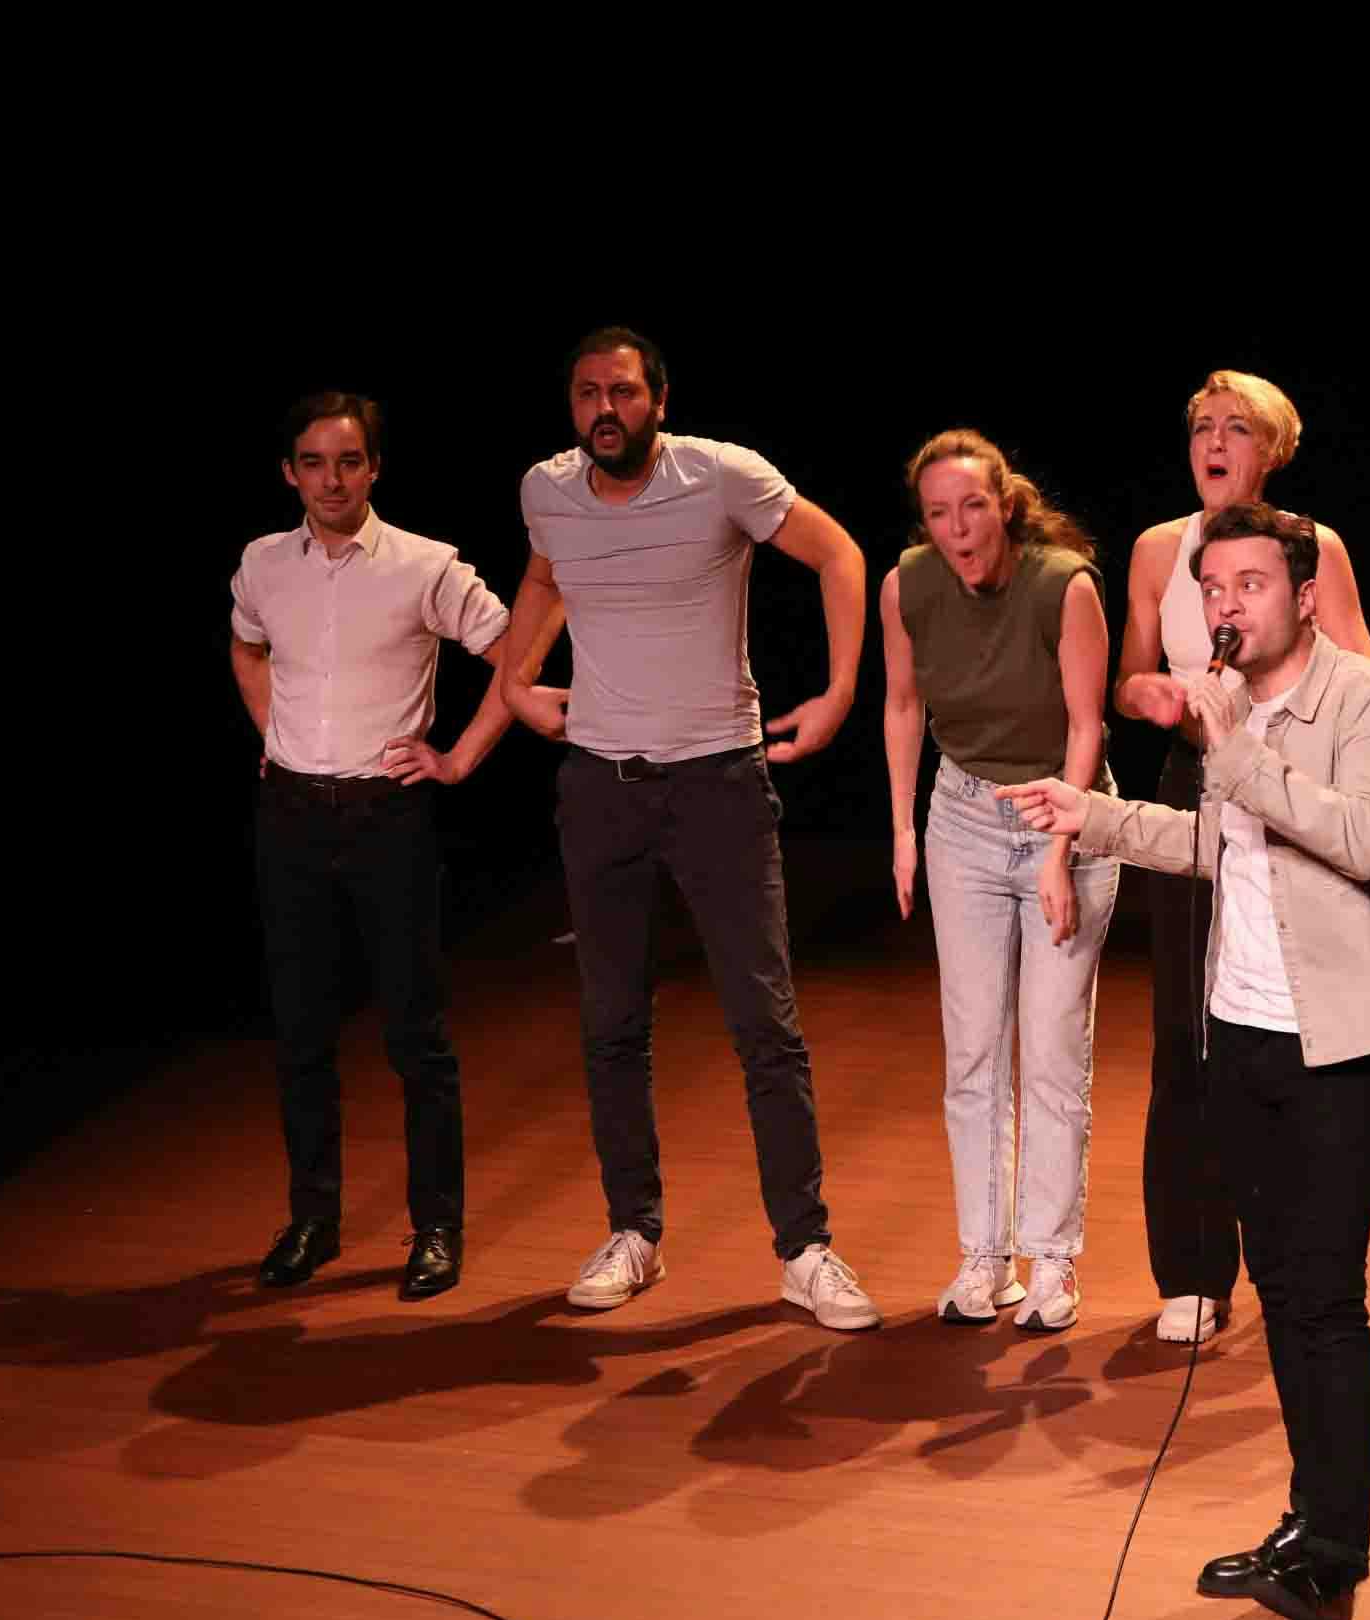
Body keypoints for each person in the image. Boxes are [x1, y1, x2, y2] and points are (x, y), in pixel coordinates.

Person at [1006, 502, 1370, 1620]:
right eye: (1216, 587)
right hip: (1237, 1036)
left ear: (1302, 594)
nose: (1230, 604)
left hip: (1339, 1046)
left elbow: (1363, 837)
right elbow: (1217, 846)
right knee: (1284, 1294)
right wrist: (1093, 816)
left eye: (1252, 582)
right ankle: (1307, 1528)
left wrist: (1232, 739)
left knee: (1327, 1298)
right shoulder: (1230, 718)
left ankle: (1337, 1552)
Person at [491, 326, 882, 1328]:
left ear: (659, 398)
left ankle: (804, 1246)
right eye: (586, 394)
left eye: (622, 391)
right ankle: (635, 1230)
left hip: (717, 780)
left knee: (764, 1021)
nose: (603, 410)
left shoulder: (723, 477)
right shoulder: (549, 490)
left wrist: (839, 691)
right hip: (602, 785)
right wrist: (515, 677)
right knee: (611, 1019)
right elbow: (545, 576)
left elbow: (838, 551)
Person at [228, 392, 526, 1302]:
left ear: (375, 469)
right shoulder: (262, 563)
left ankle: (436, 1228)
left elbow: (517, 649)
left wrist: (459, 757)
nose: (331, 478)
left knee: (415, 1036)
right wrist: (276, 735)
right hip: (288, 816)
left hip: (385, 818)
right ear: (289, 471)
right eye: (313, 462)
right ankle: (313, 1218)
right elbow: (246, 646)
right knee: (301, 1034)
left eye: (349, 461)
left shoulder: (423, 566)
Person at [1111, 371, 1370, 1342]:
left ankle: (1302, 1259)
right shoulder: (1155, 550)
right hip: (1196, 781)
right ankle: (1190, 1268)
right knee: (1186, 1028)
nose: (1214, 440)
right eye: (1201, 427)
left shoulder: (1314, 545)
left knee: (1292, 1029)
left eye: (1237, 427)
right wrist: (1149, 697)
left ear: (1273, 450)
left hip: (1292, 783)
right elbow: (1130, 671)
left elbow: (1364, 673)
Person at [881, 429, 1123, 1332]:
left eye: (973, 507)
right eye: (939, 513)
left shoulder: (1064, 584)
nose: (958, 529)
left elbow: (1087, 725)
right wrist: (905, 831)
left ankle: (1054, 1259)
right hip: (964, 819)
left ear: (1005, 505)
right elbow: (904, 703)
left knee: (1054, 1052)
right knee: (973, 1052)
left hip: (1061, 813)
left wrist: (1060, 851)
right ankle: (986, 1255)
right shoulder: (906, 584)